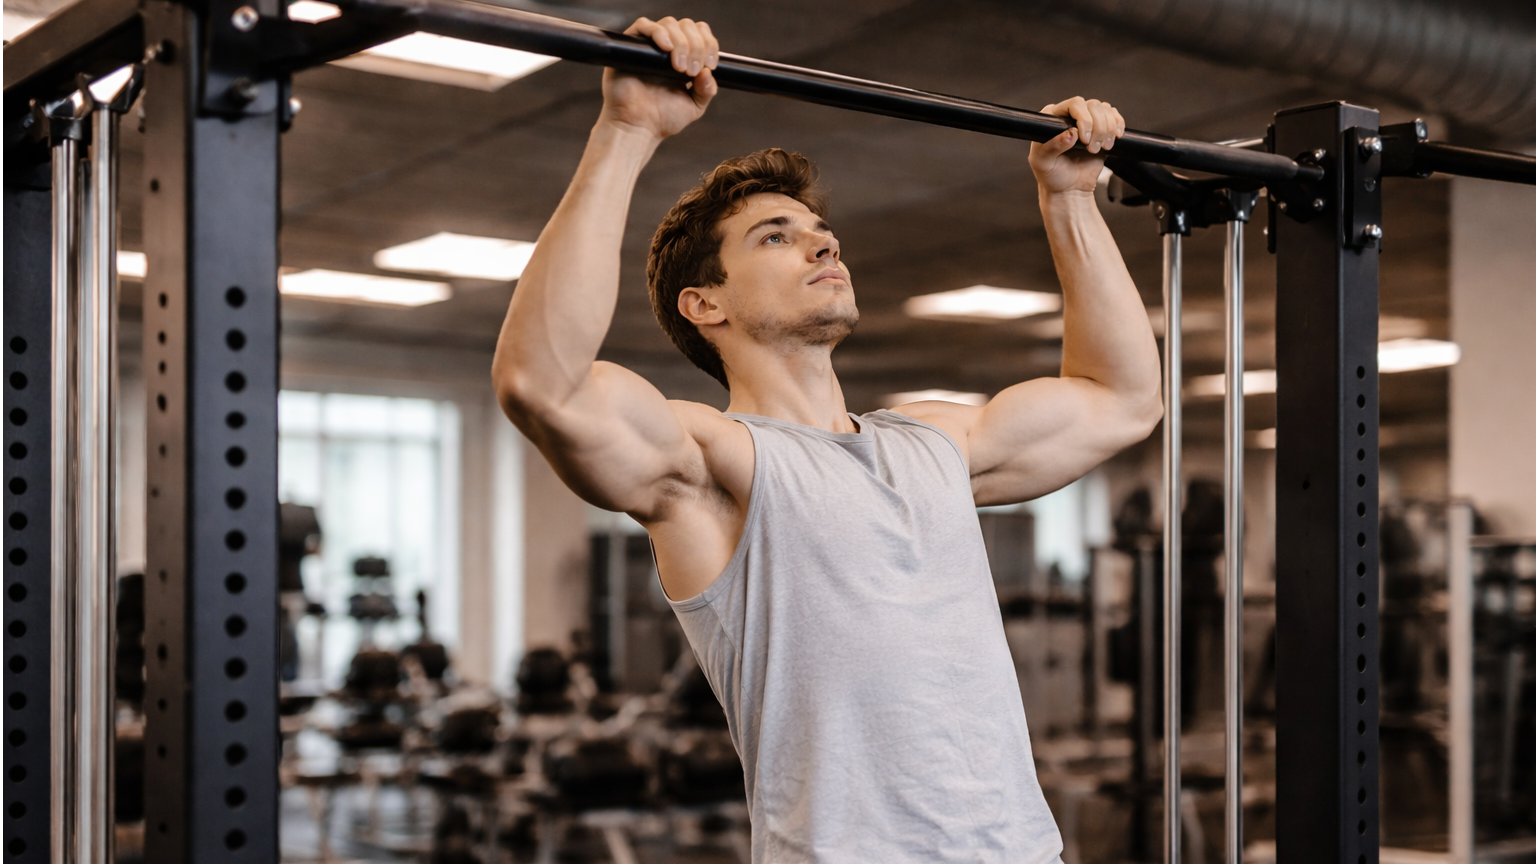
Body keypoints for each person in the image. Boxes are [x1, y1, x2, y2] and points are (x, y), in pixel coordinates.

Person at [492, 15, 1161, 863]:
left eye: (821, 233)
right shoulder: (712, 466)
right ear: (707, 303)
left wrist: (1068, 200)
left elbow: (1123, 400)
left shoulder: (933, 443)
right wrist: (627, 131)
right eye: (777, 236)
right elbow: (540, 383)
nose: (821, 241)